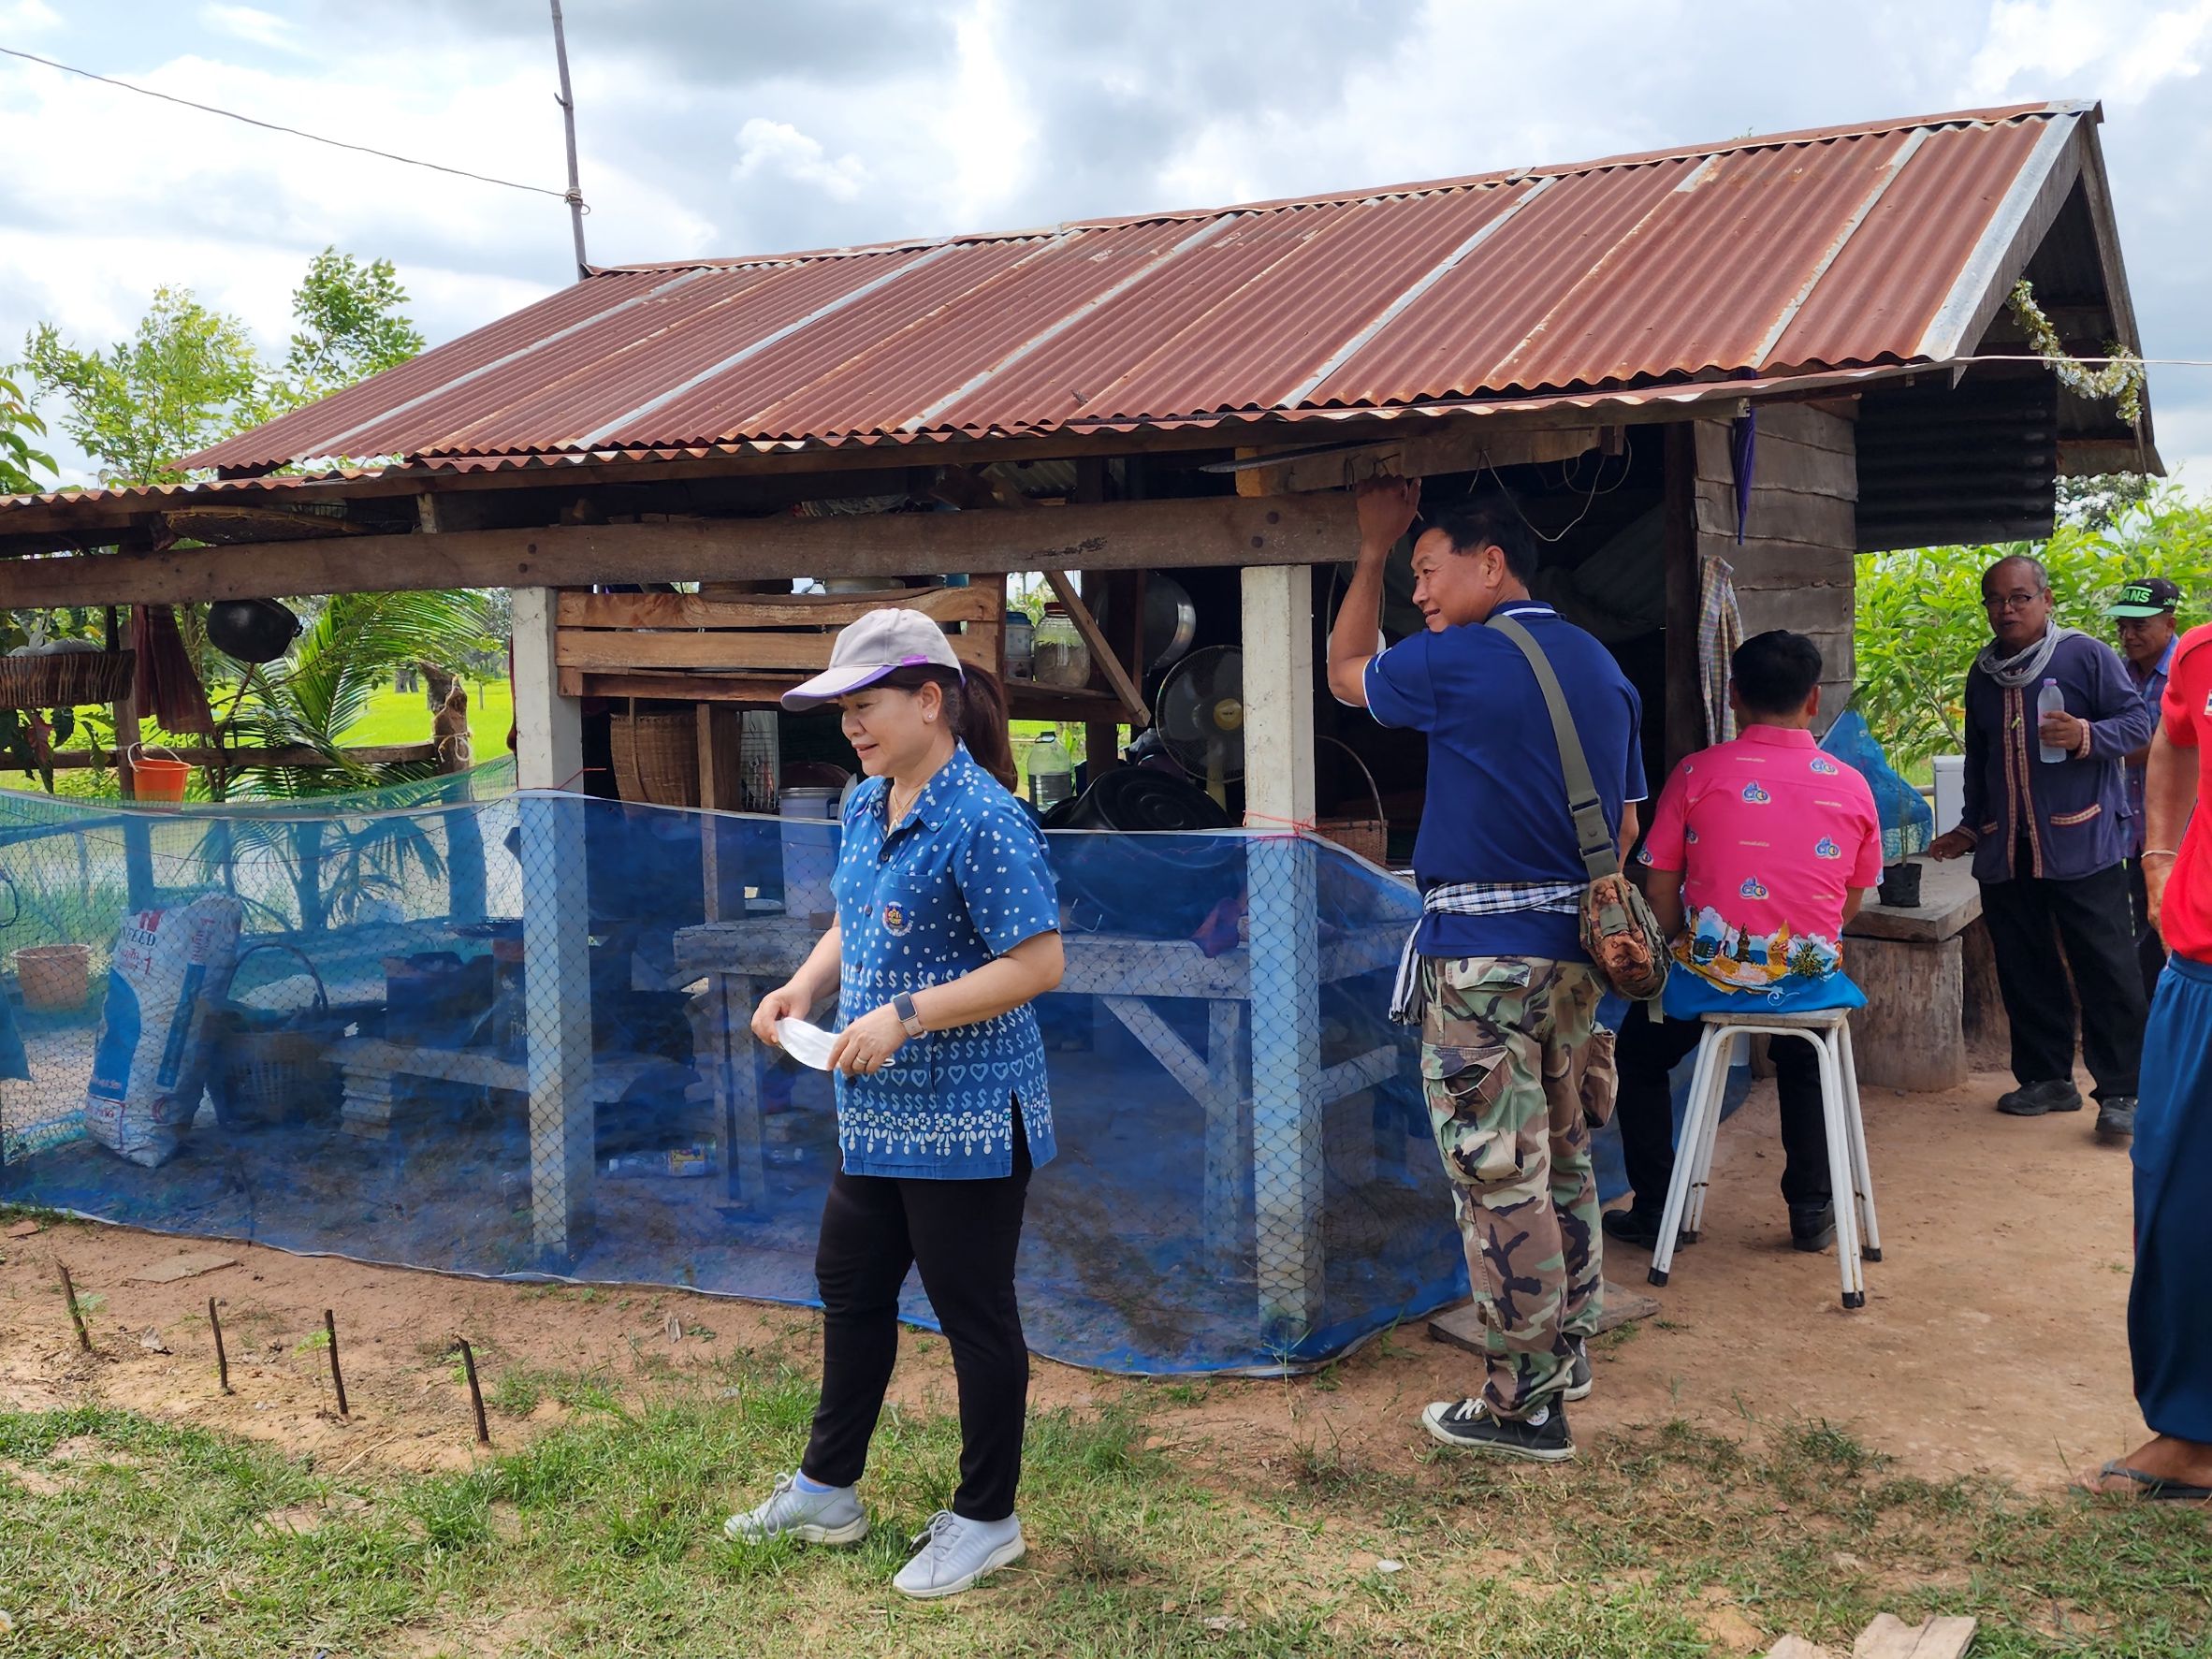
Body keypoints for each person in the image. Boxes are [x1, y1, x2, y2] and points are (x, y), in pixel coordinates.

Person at [724, 609, 1064, 1599]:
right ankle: (828, 1490)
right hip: (873, 1107)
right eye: (842, 711)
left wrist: (908, 1015)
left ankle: (987, 1519)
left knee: (974, 1316)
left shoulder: (986, 816)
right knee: (852, 1288)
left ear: (929, 699)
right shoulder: (866, 805)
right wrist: (804, 989)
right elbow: (851, 919)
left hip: (968, 1111)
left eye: (864, 706)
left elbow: (1039, 962)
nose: (850, 728)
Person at [1327, 475, 1644, 1464]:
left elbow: (1344, 670)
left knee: (1497, 1175)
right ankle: (1569, 1349)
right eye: (1410, 574)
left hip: (1483, 970)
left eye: (1429, 571)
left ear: (1489, 563)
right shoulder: (1601, 666)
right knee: (1567, 1153)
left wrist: (1372, 546)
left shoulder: (1457, 660)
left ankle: (1525, 1406)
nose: (1419, 595)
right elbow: (1624, 826)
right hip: (1576, 964)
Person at [1607, 632, 1885, 1256]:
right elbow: (1849, 903)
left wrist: (1678, 953)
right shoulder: (1852, 785)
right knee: (1806, 1052)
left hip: (1708, 975)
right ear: (1814, 699)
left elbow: (1660, 893)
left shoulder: (1696, 773)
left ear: (1733, 696)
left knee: (1641, 1051)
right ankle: (1811, 1207)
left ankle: (1656, 1207)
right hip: (1807, 979)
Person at [1928, 554, 2153, 1146]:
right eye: (1996, 600)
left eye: (2020, 597)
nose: (2007, 609)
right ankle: (2048, 1079)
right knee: (2024, 965)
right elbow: (1979, 760)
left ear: (2046, 601)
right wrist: (1971, 827)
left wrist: (2085, 735)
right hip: (2010, 847)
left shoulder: (2085, 655)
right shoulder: (1984, 673)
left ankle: (2124, 1090)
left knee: (2106, 967)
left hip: (2084, 840)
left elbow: (2138, 726)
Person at [2088, 617, 2212, 1501]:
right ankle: (2191, 1433)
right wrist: (2160, 857)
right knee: (2176, 1200)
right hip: (2201, 974)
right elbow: (2171, 743)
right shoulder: (2203, 655)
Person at [2110, 576, 2183, 1000]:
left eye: (2140, 625)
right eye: (2122, 626)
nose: (2128, 635)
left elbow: (2166, 744)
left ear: (2170, 624)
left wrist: (2096, 743)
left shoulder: (2186, 670)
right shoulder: (2118, 672)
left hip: (2180, 834)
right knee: (2140, 921)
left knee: (2179, 926)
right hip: (2130, 832)